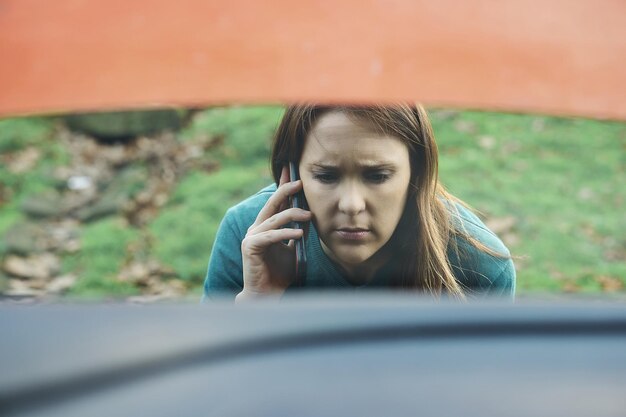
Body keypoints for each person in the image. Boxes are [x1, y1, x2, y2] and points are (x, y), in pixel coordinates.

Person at [203, 103, 515, 301]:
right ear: (292, 174)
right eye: (326, 176)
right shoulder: (247, 238)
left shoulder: (479, 265)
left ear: (416, 176)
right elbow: (211, 395)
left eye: (377, 176)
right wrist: (258, 302)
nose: (351, 205)